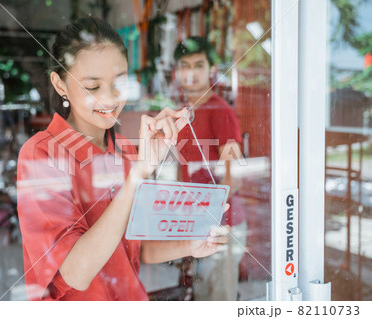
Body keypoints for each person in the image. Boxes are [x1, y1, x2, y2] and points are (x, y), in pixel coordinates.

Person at [16, 17, 230, 301]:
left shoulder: (126, 151)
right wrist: (137, 175)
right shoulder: (41, 154)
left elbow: (134, 247)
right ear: (60, 84)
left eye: (119, 83)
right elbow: (76, 273)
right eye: (92, 87)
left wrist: (192, 244)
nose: (110, 98)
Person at [173, 36, 247, 301]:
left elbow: (234, 175)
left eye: (198, 65)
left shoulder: (220, 111)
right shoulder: (182, 114)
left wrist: (208, 216)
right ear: (176, 71)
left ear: (212, 69)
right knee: (201, 298)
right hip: (196, 226)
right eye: (184, 65)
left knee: (219, 303)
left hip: (222, 224)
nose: (191, 72)